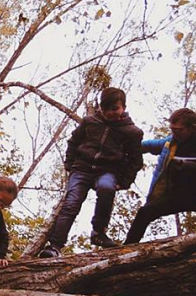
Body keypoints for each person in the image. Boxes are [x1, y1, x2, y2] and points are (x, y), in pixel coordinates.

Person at [38, 87, 143, 258]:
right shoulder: (89, 122)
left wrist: (124, 181)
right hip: (81, 168)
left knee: (106, 188)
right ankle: (55, 246)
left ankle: (98, 233)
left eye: (114, 108)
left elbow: (136, 160)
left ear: (123, 107)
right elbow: (73, 142)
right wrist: (69, 165)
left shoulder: (132, 132)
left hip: (107, 171)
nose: (110, 113)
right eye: (105, 108)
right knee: (71, 203)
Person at [124, 108, 196, 244]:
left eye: (178, 130)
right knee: (145, 212)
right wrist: (120, 149)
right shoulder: (172, 143)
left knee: (189, 167)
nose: (174, 133)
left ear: (193, 127)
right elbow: (147, 146)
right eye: (172, 129)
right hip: (179, 195)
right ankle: (126, 248)